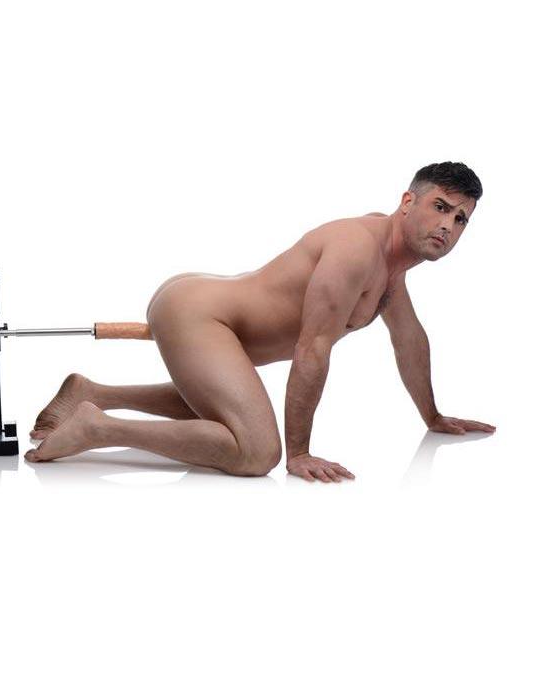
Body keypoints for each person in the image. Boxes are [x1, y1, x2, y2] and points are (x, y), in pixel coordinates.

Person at [24, 161, 496, 482]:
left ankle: (93, 393)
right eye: (440, 207)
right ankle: (98, 427)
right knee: (256, 450)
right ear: (408, 201)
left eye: (461, 219)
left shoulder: (392, 269)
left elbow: (409, 339)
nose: (448, 225)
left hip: (217, 320)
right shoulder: (357, 250)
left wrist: (432, 416)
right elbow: (313, 349)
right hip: (200, 313)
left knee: (226, 410)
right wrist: (299, 452)